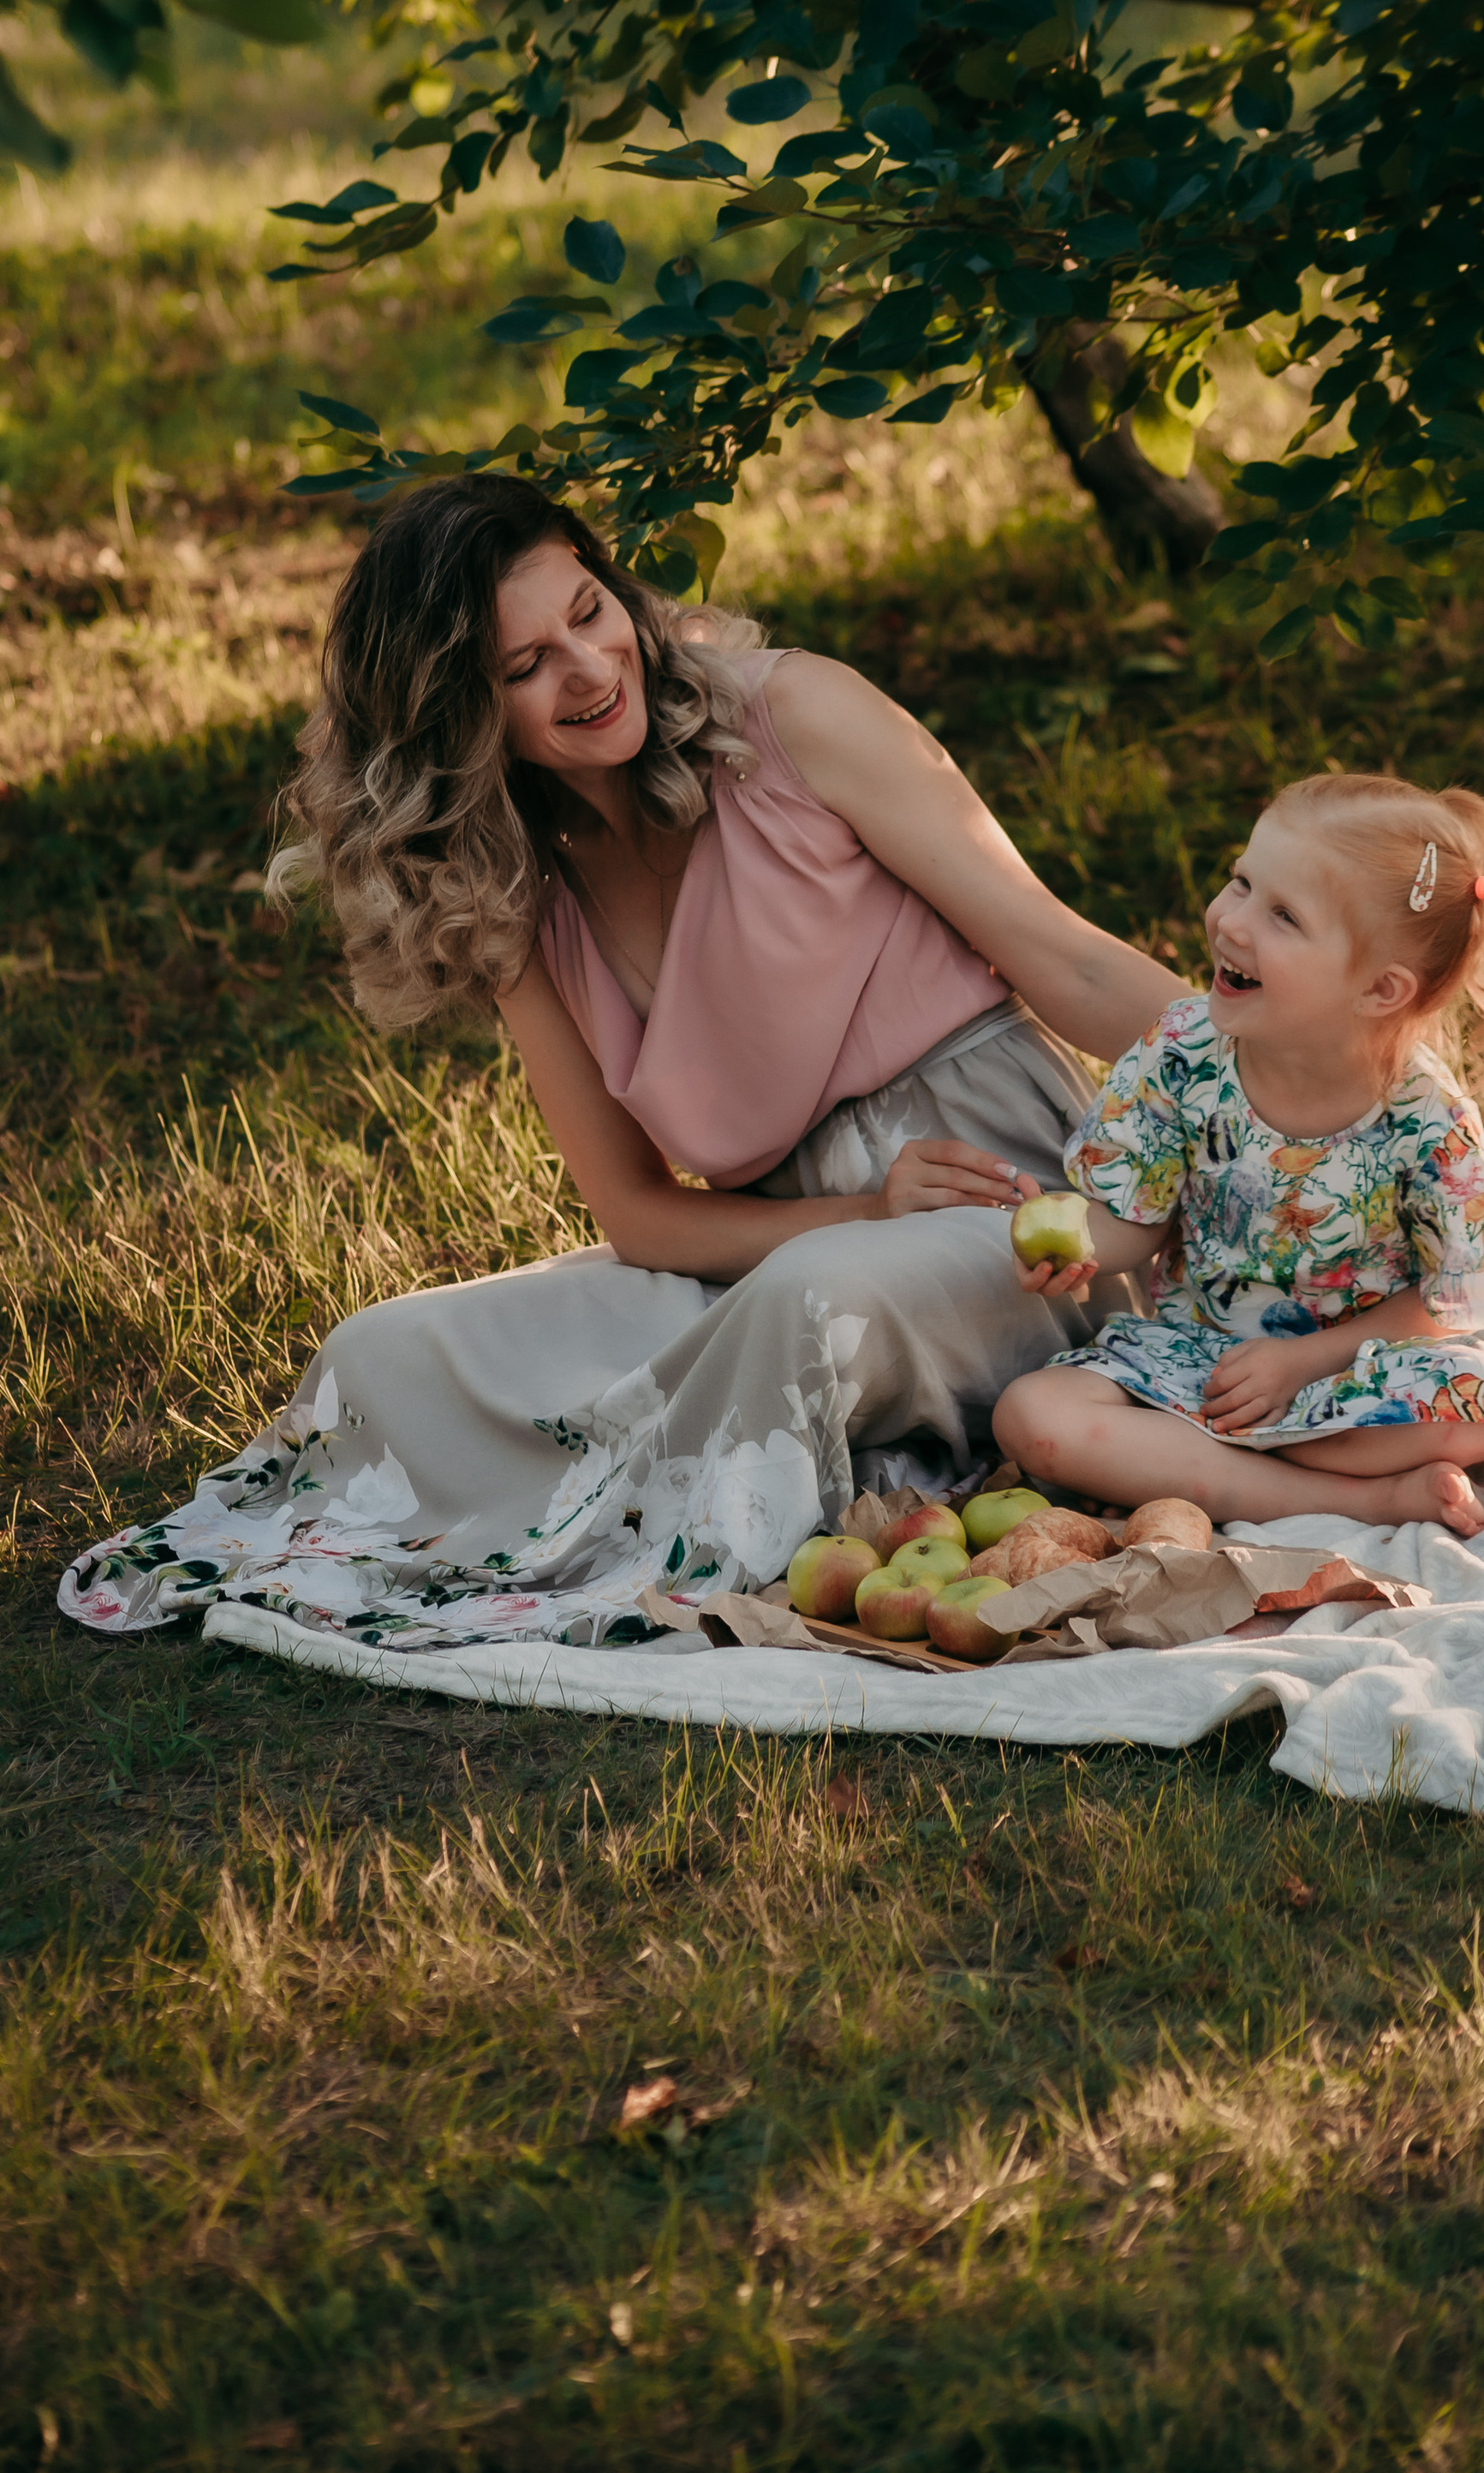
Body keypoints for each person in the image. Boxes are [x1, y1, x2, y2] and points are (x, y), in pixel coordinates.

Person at [59, 474, 1186, 1648]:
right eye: (523, 666)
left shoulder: (792, 716)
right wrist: (858, 1210)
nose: (591, 671)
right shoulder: (509, 888)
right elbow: (642, 1220)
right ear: (458, 715)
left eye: (589, 613)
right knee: (388, 1351)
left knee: (809, 1306)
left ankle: (683, 1529)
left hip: (1009, 1212)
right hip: (796, 1248)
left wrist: (1298, 1101)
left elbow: (1069, 961)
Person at [995, 771, 1484, 1543]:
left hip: (1350, 1371)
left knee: (1481, 1413)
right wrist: (1076, 1244)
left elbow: (1448, 1297)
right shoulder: (1182, 1051)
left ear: (1380, 989)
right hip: (1200, 1363)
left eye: (1283, 916)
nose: (1232, 922)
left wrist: (1306, 1363)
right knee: (1034, 1419)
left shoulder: (1426, 1120)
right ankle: (1362, 1500)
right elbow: (1137, 1224)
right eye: (1241, 881)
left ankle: (1216, 1473)